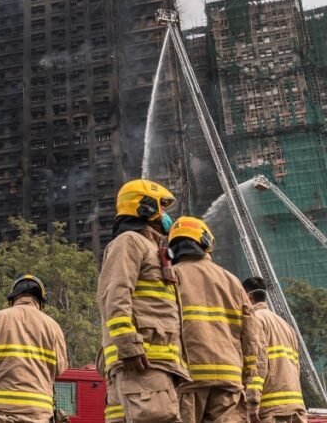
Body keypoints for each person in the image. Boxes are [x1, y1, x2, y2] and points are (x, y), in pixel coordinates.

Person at [97, 179, 188, 423]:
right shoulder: (130, 242)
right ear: (146, 207)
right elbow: (115, 294)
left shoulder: (151, 247)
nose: (166, 216)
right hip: (144, 360)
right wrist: (128, 343)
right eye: (162, 207)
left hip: (153, 361)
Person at [171, 217, 252, 423]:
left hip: (188, 380)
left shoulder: (169, 277)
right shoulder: (232, 281)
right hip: (229, 383)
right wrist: (248, 378)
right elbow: (252, 338)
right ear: (206, 242)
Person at [0, 274, 68, 422]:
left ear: (13, 298)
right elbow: (60, 368)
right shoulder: (53, 326)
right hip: (38, 412)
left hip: (1, 411)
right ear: (41, 302)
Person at [242, 277, 306, 423]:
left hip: (270, 410)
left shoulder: (254, 320)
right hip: (296, 408)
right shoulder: (286, 326)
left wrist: (252, 402)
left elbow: (257, 362)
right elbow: (297, 367)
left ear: (249, 297)